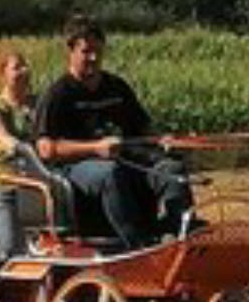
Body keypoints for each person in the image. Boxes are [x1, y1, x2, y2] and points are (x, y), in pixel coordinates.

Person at [34, 14, 193, 249]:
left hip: (127, 161)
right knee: (110, 172)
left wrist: (162, 139)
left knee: (172, 170)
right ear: (71, 51)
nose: (94, 58)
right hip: (78, 169)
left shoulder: (117, 87)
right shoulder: (58, 94)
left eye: (98, 51)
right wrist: (95, 148)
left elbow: (144, 128)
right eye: (86, 52)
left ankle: (177, 235)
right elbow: (46, 149)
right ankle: (138, 245)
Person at [0, 47, 44, 259]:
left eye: (25, 65)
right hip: (0, 192)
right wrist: (12, 144)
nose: (24, 71)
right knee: (6, 254)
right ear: (3, 74)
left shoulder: (37, 104)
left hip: (35, 190)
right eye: (17, 67)